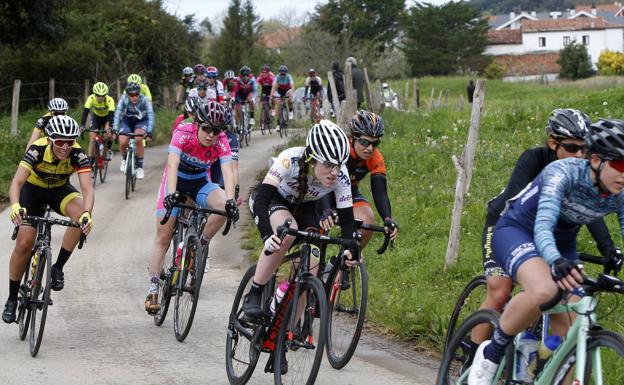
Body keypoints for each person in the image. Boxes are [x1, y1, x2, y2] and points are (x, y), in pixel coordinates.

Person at [468, 118, 624, 385]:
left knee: (572, 322)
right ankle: (491, 352)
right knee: (544, 290)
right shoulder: (563, 172)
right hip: (517, 230)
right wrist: (555, 261)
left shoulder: (619, 192)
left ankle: (527, 370)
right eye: (621, 165)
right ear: (596, 160)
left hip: (563, 242)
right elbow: (543, 225)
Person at [242, 119, 358, 319]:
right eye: (329, 165)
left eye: (339, 165)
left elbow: (348, 220)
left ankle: (289, 327)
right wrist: (267, 235)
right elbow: (262, 199)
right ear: (312, 158)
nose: (335, 172)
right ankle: (255, 292)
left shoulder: (342, 176)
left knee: (312, 260)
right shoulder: (290, 159)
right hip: (273, 200)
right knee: (286, 233)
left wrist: (350, 248)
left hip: (304, 206)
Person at [145, 102, 239, 313]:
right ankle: (152, 289)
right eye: (206, 128)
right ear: (197, 123)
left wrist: (231, 200)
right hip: (175, 181)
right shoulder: (183, 132)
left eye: (217, 130)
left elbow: (228, 172)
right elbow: (172, 164)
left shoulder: (221, 141)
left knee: (224, 206)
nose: (211, 135)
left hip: (199, 183)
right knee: (163, 236)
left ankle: (198, 245)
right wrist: (171, 194)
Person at [2, 115, 94, 323]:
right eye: (60, 141)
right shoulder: (37, 149)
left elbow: (88, 189)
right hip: (32, 192)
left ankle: (57, 267)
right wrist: (16, 205)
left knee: (80, 218)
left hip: (58, 191)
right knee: (25, 242)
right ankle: (12, 298)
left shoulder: (77, 154)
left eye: (69, 142)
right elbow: (16, 183)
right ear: (50, 140)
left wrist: (88, 213)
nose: (65, 147)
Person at [318, 111, 398, 248]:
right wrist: (325, 209)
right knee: (317, 240)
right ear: (352, 138)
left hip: (349, 193)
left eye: (375, 143)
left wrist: (387, 219)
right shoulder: (339, 151)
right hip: (323, 192)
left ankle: (346, 259)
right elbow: (320, 184)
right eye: (364, 142)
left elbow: (380, 193)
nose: (370, 148)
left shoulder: (375, 157)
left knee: (367, 221)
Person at [113, 82, 154, 180]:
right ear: (128, 95)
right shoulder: (124, 99)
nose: (134, 97)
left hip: (142, 120)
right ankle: (124, 159)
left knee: (139, 139)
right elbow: (118, 114)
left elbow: (151, 115)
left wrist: (149, 132)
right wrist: (115, 129)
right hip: (128, 120)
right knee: (122, 141)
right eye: (132, 95)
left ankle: (139, 167)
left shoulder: (144, 100)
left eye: (136, 94)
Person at [80, 82, 116, 164]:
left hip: (107, 118)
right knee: (92, 138)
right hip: (96, 118)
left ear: (105, 95)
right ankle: (90, 161)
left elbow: (111, 116)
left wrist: (110, 128)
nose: (100, 97)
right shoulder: (91, 98)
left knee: (108, 134)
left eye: (103, 95)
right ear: (94, 94)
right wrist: (82, 125)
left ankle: (108, 150)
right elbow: (85, 113)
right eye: (98, 95)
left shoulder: (110, 100)